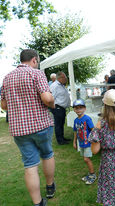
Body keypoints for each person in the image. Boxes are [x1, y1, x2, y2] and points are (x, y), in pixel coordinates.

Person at [1, 49, 56, 206]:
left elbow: (3, 105)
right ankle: (50, 187)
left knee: (30, 165)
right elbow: (47, 98)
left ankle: (38, 203)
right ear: (34, 60)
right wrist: (52, 104)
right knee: (47, 154)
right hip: (41, 125)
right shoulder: (36, 73)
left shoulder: (7, 77)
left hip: (19, 129)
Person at [72, 99, 96, 184]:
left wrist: (94, 141)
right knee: (85, 159)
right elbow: (75, 131)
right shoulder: (76, 120)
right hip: (81, 143)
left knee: (86, 159)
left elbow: (93, 130)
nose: (78, 110)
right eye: (76, 108)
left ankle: (93, 175)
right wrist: (74, 142)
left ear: (84, 108)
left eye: (80, 108)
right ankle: (90, 174)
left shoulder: (87, 119)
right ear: (74, 110)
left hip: (88, 143)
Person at [50, 71, 71, 145]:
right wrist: (54, 109)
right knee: (58, 124)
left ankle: (62, 138)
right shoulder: (54, 86)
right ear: (60, 78)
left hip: (62, 108)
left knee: (61, 123)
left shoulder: (61, 85)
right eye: (65, 77)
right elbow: (51, 98)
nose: (66, 78)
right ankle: (60, 140)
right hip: (57, 108)